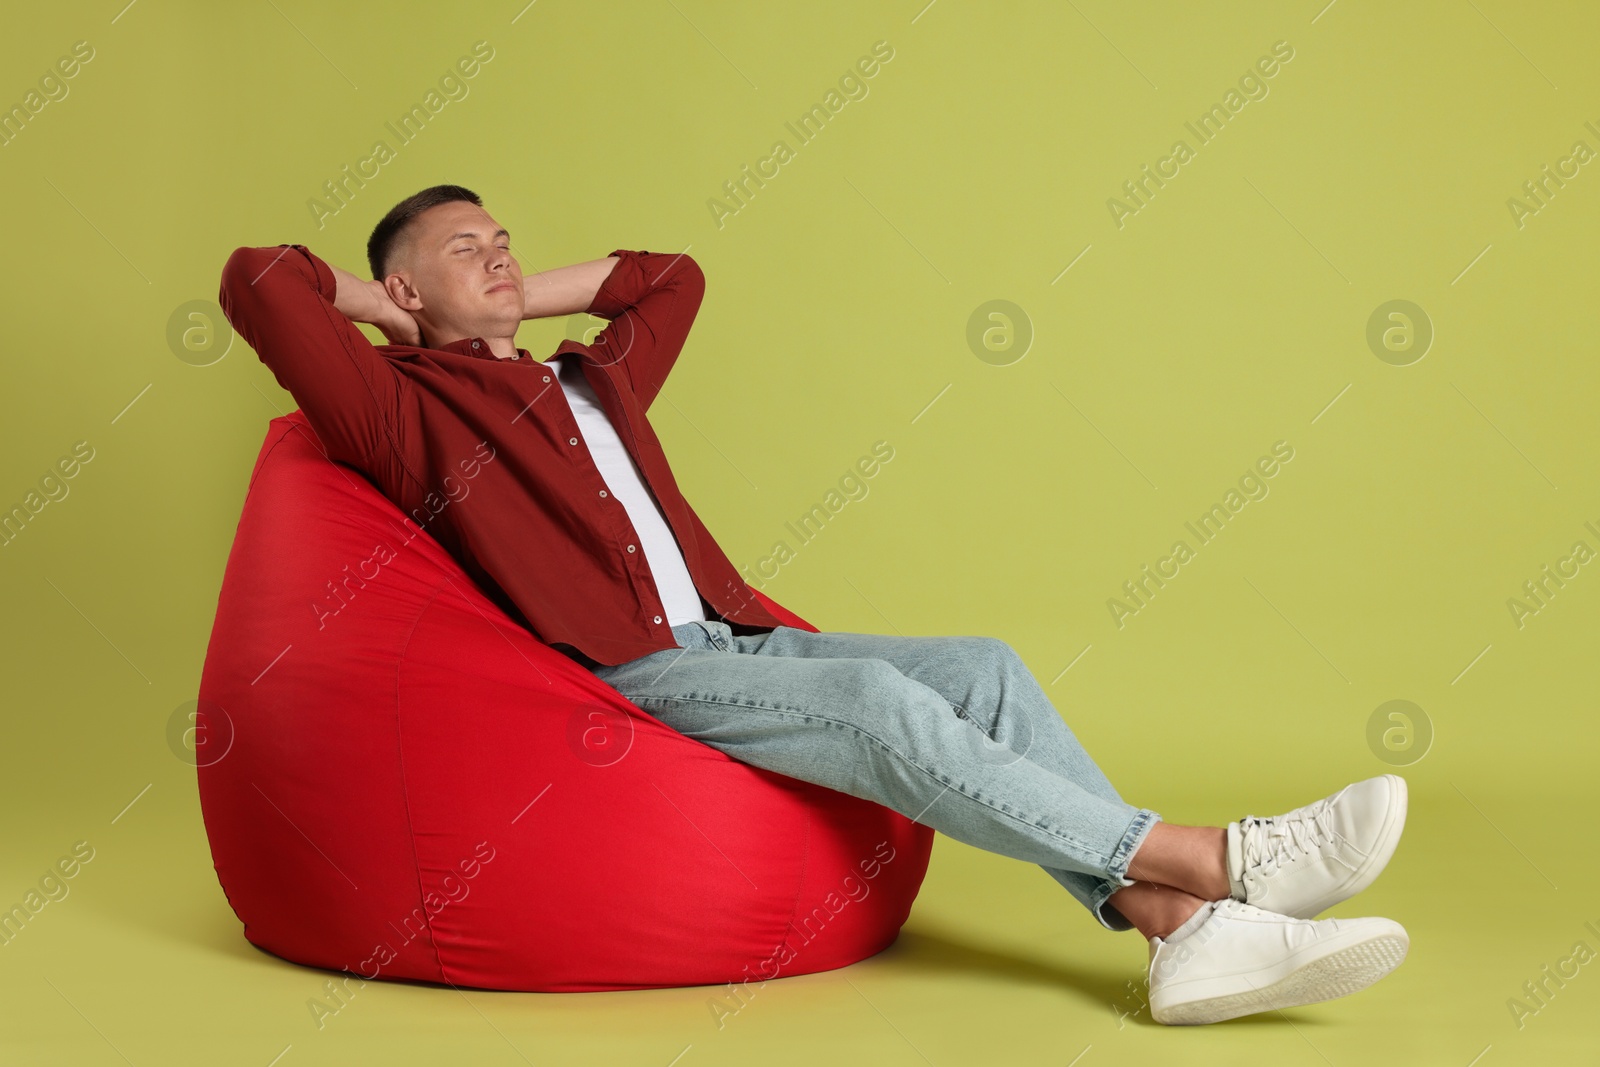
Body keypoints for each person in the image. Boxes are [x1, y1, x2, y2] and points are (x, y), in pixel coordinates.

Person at [219, 183, 1410, 1025]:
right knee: (866, 696)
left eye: (506, 237)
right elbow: (259, 281)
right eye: (464, 245)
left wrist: (511, 303)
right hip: (627, 672)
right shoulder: (405, 410)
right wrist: (396, 319)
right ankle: (1213, 859)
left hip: (735, 639)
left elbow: (667, 280)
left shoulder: (592, 375)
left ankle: (1177, 932)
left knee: (983, 665)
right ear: (398, 285)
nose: (500, 254)